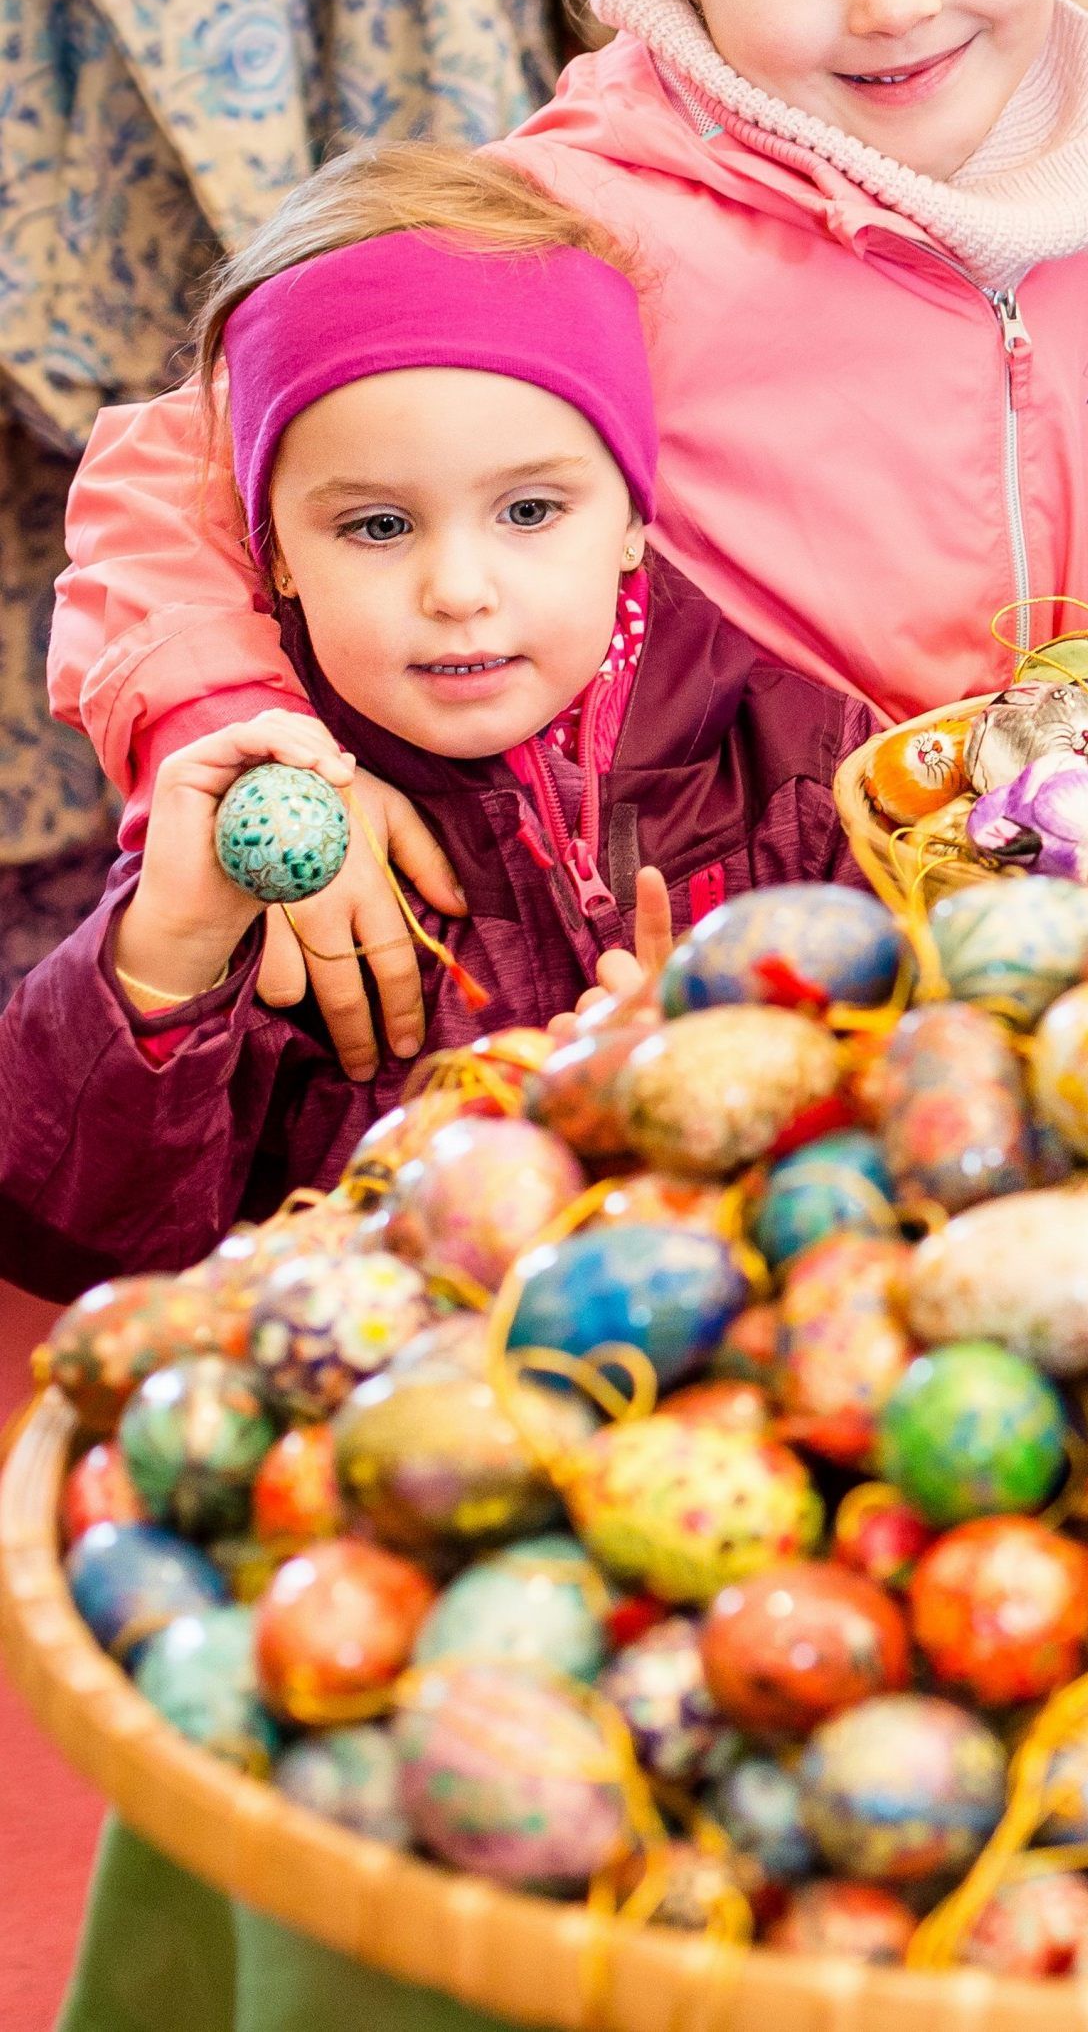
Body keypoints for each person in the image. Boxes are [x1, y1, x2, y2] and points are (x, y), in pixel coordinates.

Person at [49, 0, 1088, 1082]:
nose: (890, 0)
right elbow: (167, 472)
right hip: (730, 971)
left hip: (1038, 961)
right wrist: (238, 723)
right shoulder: (585, 222)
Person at [0, 149, 877, 1297]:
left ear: (629, 517)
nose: (458, 588)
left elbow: (914, 1126)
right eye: (376, 526)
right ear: (277, 560)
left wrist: (730, 1073)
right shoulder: (261, 832)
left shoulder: (798, 768)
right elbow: (76, 1242)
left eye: (528, 509)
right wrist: (164, 959)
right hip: (373, 1415)